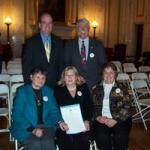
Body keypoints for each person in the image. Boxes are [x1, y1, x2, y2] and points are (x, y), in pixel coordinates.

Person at [10, 67, 65, 150]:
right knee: (35, 143)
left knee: (48, 141)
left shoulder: (49, 91)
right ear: (31, 77)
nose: (41, 80)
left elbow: (54, 112)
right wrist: (33, 130)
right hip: (25, 127)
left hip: (46, 125)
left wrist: (60, 122)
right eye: (38, 77)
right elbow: (17, 115)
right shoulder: (22, 92)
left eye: (43, 78)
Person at [92, 62, 132, 150]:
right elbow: (92, 106)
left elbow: (128, 106)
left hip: (119, 119)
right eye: (105, 72)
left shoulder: (122, 88)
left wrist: (115, 119)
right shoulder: (96, 88)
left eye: (111, 72)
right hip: (102, 119)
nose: (108, 75)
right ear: (102, 75)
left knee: (121, 136)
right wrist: (98, 117)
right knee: (101, 137)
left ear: (115, 74)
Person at [54, 66, 93, 150]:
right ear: (63, 77)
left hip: (82, 122)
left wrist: (86, 120)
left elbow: (90, 106)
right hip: (64, 124)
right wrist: (60, 122)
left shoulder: (83, 87)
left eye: (72, 75)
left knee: (83, 139)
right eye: (67, 75)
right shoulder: (58, 89)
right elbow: (54, 109)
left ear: (76, 76)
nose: (69, 77)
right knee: (65, 140)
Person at [22, 12, 64, 88]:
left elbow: (61, 65)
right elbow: (27, 67)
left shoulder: (59, 42)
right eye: (44, 23)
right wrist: (29, 86)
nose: (47, 26)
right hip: (37, 85)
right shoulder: (31, 42)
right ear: (40, 25)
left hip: (55, 86)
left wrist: (61, 84)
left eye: (50, 23)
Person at [64, 18, 107, 90]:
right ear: (77, 30)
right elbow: (66, 64)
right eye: (80, 27)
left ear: (89, 29)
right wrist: (76, 76)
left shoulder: (98, 44)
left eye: (85, 26)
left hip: (94, 84)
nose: (83, 29)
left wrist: (98, 79)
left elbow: (103, 64)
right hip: (76, 83)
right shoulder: (69, 45)